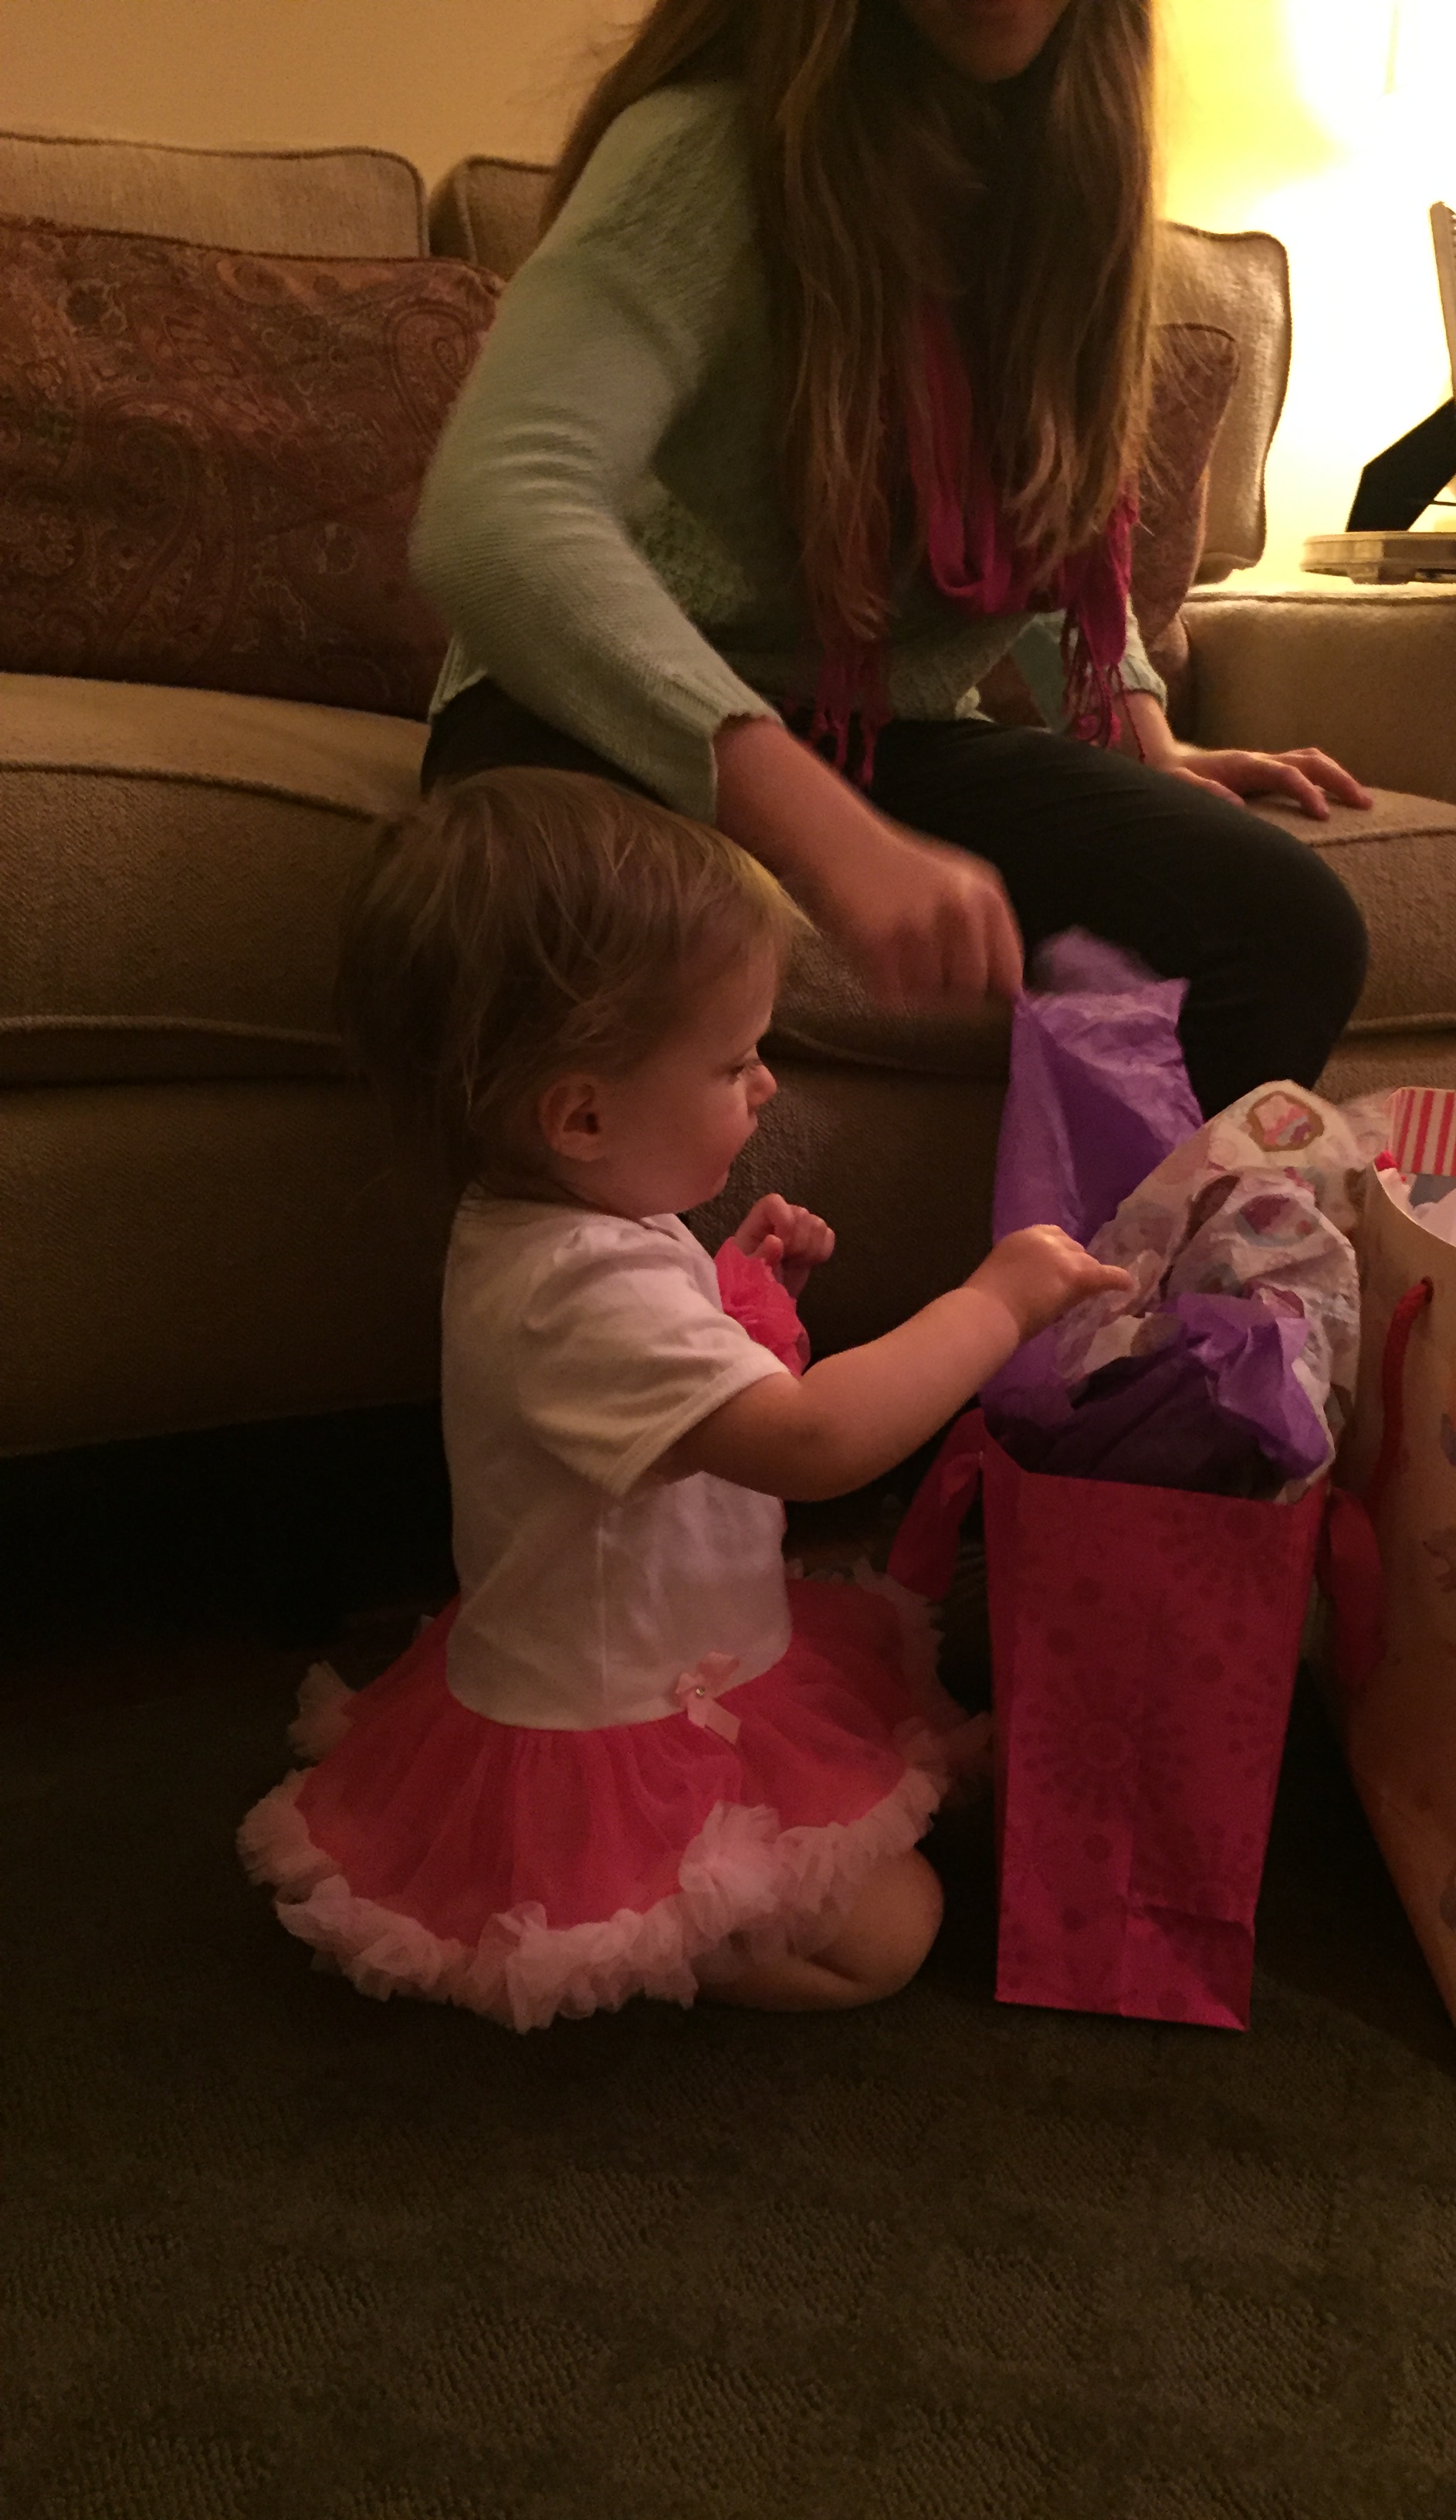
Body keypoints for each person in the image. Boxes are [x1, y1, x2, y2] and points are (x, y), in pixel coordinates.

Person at [238, 767, 1129, 2027]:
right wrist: (999, 1303)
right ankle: (643, 1937)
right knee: (891, 1937)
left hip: (683, 1647)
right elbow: (812, 1443)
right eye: (734, 1061)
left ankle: (700, 1895)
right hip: (614, 1723)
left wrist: (735, 1289)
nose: (765, 1085)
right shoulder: (576, 1292)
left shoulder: (560, 1216)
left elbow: (653, 1381)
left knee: (876, 1819)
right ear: (582, 1115)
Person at [409, 0, 1371, 1118]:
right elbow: (497, 512)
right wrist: (831, 836)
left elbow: (1036, 524)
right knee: (616, 923)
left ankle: (1107, 1242)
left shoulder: (1060, 184)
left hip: (874, 727)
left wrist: (1142, 742)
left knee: (1283, 924)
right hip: (589, 721)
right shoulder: (706, 148)